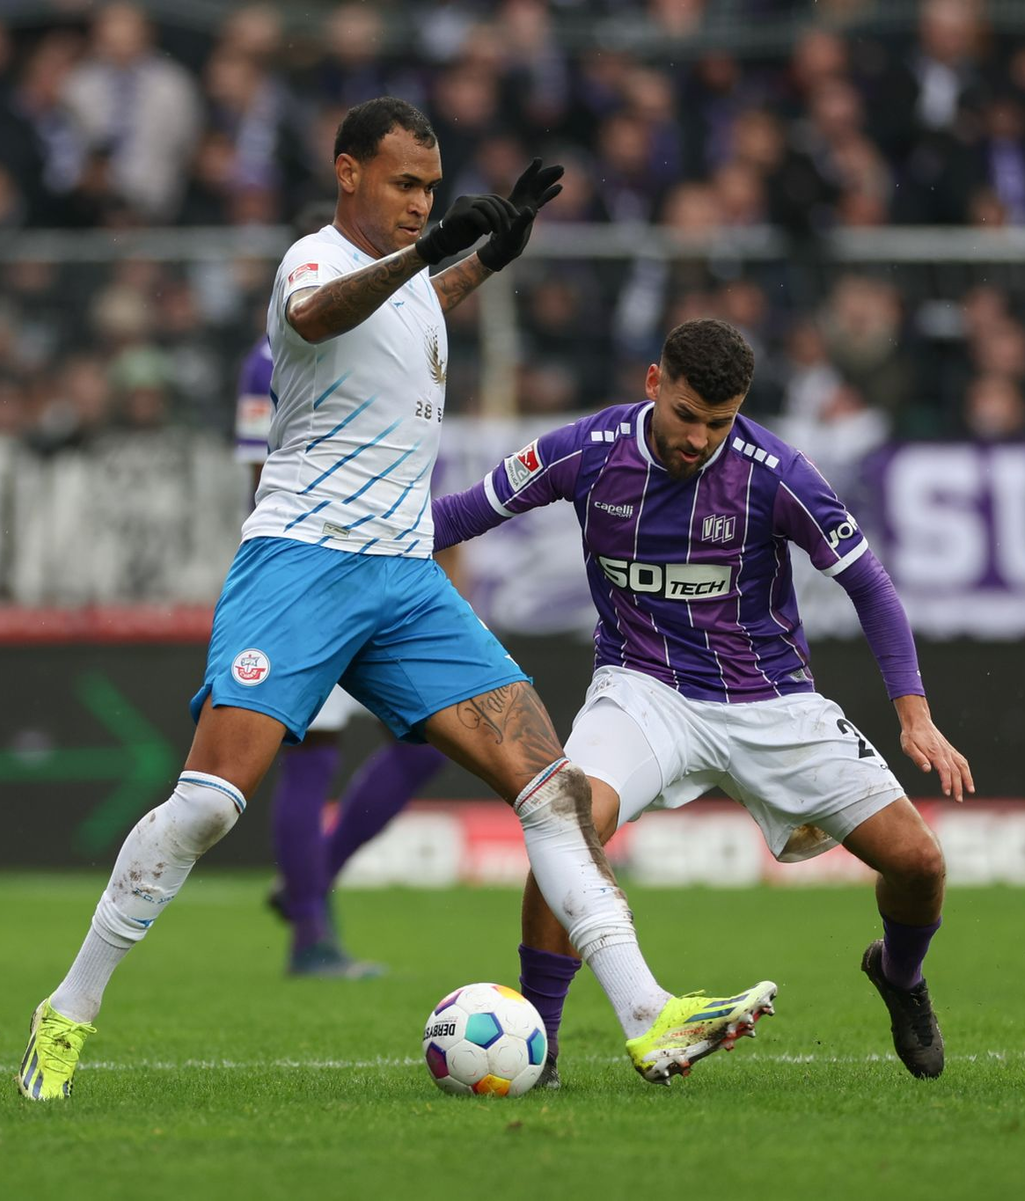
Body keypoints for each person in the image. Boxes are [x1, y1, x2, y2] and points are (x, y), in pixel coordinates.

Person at [17, 99, 776, 1102]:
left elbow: (414, 306)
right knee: (208, 805)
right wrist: (433, 256)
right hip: (300, 562)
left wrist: (485, 261)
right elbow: (328, 317)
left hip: (405, 575)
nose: (420, 202)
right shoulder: (313, 260)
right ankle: (66, 1012)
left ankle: (649, 1015)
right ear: (348, 173)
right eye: (403, 184)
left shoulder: (417, 276)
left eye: (430, 187)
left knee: (552, 786)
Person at [433, 318, 973, 1084]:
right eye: (687, 415)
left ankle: (901, 976)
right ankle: (541, 1045)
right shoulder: (584, 453)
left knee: (918, 863)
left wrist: (913, 711)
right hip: (642, 688)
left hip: (772, 699)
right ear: (655, 384)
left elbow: (869, 584)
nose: (699, 438)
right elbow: (458, 516)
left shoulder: (774, 470)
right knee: (568, 821)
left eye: (719, 423)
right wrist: (350, 546)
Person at [235, 323, 444, 978]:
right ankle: (310, 938)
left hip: (385, 571)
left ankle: (310, 880)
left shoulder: (397, 342)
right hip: (308, 577)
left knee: (429, 741)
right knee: (311, 757)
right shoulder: (268, 361)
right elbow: (260, 471)